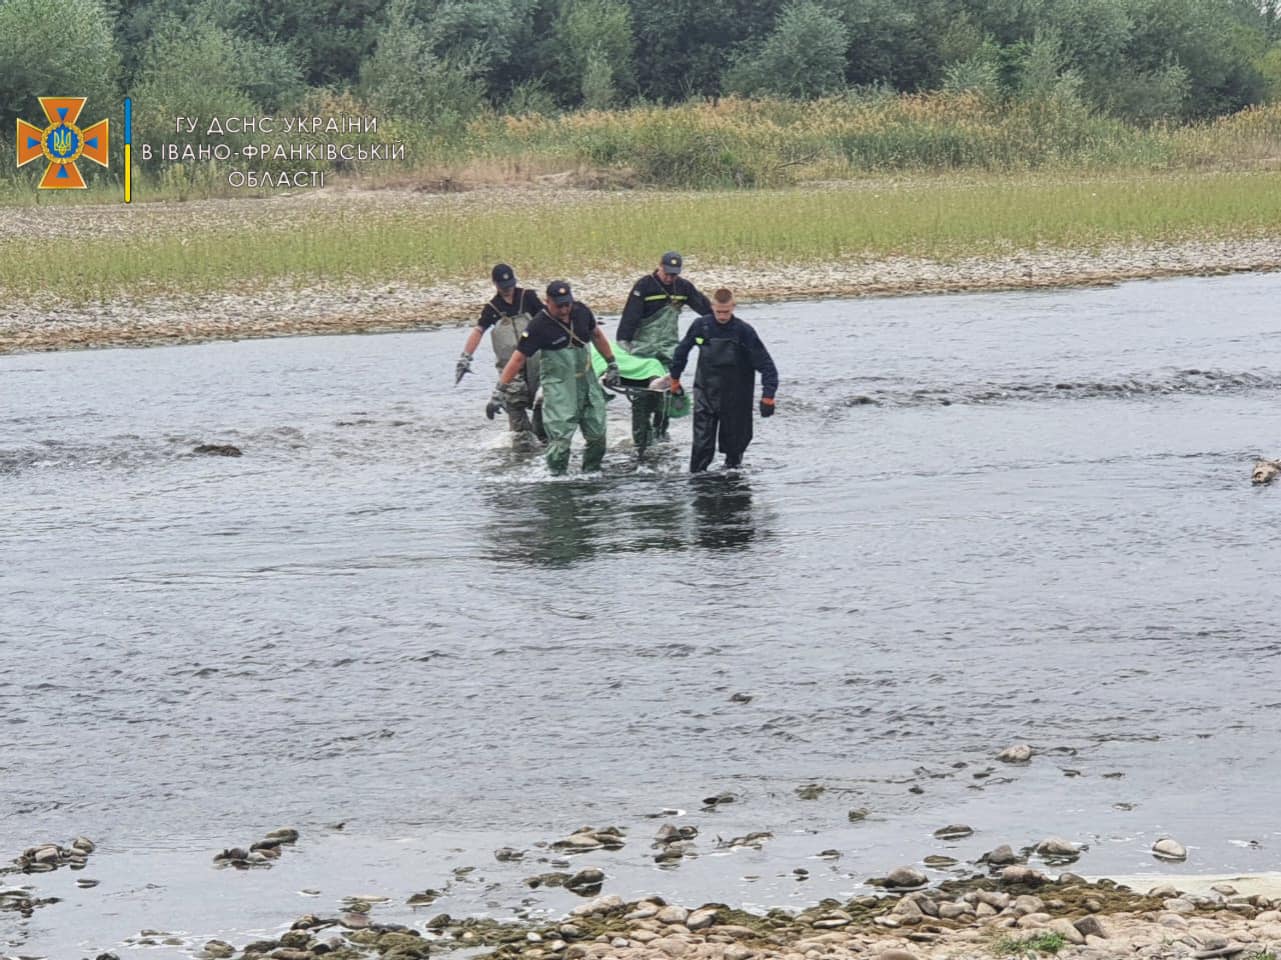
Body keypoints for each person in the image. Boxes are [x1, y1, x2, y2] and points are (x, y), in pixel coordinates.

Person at [487, 281, 621, 475]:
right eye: (559, 305)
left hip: (587, 383)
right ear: (547, 302)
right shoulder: (538, 326)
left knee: (598, 436)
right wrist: (499, 391)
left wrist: (612, 364)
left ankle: (591, 472)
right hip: (559, 388)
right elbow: (517, 360)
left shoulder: (582, 312)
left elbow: (597, 336)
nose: (565, 309)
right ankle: (557, 477)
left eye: (568, 304)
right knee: (560, 442)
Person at [668, 287, 778, 473]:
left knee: (734, 449)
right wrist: (675, 380)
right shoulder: (701, 326)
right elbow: (681, 353)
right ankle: (697, 484)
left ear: (733, 307)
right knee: (702, 446)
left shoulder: (744, 332)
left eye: (726, 311)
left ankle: (733, 486)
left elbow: (767, 366)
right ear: (712, 307)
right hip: (705, 393)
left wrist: (768, 396)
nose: (722, 316)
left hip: (736, 397)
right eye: (718, 311)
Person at [616, 251, 712, 450]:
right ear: (659, 266)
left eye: (674, 274)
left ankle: (660, 435)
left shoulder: (683, 287)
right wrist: (624, 343)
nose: (670, 278)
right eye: (667, 273)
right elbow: (630, 316)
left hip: (669, 350)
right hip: (643, 350)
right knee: (642, 397)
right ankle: (641, 443)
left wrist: (719, 324)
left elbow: (704, 308)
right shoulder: (644, 286)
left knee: (666, 394)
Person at [457, 263, 546, 440]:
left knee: (543, 404)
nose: (508, 290)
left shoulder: (527, 297)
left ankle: (544, 440)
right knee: (516, 413)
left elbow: (548, 319)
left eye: (510, 285)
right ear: (496, 285)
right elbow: (478, 331)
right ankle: (522, 445)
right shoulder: (492, 308)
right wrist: (465, 358)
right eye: (504, 287)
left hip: (537, 360)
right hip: (510, 367)